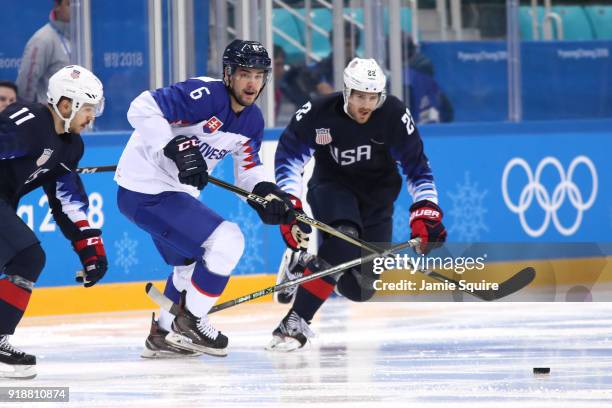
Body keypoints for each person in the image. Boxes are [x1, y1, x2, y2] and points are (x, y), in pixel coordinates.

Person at [114, 39, 300, 359]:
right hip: (145, 187)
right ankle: (192, 320)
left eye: (259, 75)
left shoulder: (252, 121)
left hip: (170, 193)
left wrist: (268, 194)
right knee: (228, 240)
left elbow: (249, 172)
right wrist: (174, 147)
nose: (252, 82)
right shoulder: (206, 95)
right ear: (228, 74)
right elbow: (142, 108)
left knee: (191, 264)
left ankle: (164, 332)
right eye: (244, 74)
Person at [268, 58, 447, 351]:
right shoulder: (318, 111)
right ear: (347, 92)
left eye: (373, 96)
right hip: (332, 188)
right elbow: (289, 158)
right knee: (343, 240)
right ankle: (295, 322)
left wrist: (426, 211)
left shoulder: (393, 114)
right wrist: (291, 202)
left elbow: (418, 168)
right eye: (360, 96)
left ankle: (301, 266)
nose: (366, 104)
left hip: (377, 198)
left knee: (359, 290)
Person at [0, 65, 107, 378]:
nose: (91, 118)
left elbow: (66, 199)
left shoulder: (71, 147)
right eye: (87, 109)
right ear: (65, 105)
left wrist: (90, 248)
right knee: (28, 256)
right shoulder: (29, 122)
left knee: (23, 258)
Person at [16, 0, 71, 103]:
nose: (74, 9)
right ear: (57, 6)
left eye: (77, 5)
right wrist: (29, 113)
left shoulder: (82, 39)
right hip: (49, 115)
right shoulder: (43, 39)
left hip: (74, 114)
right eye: (69, 4)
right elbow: (26, 83)